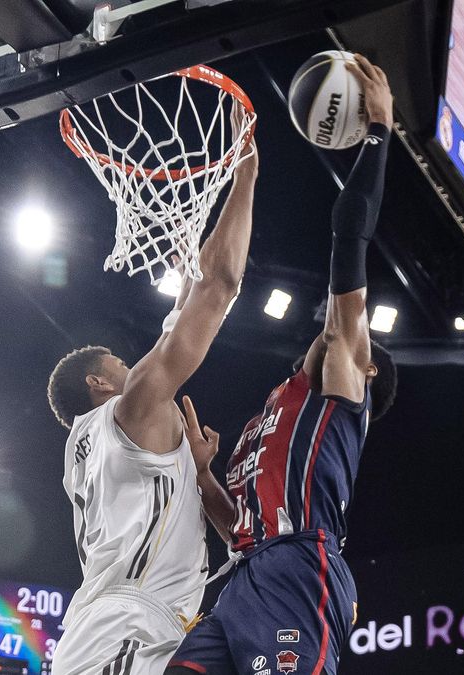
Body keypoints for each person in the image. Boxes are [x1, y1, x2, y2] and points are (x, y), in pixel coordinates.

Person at [165, 54, 399, 675]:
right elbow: (237, 525)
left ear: (366, 372)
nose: (344, 337)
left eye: (361, 348)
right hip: (245, 578)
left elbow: (348, 239)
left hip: (301, 568)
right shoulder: (276, 406)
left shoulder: (344, 386)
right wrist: (204, 476)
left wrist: (378, 133)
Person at [45, 125, 257, 674]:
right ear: (98, 382)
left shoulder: (89, 449)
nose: (128, 361)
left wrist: (195, 474)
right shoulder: (130, 410)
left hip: (121, 628)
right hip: (129, 630)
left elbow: (176, 325)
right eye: (117, 359)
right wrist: (245, 175)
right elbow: (220, 287)